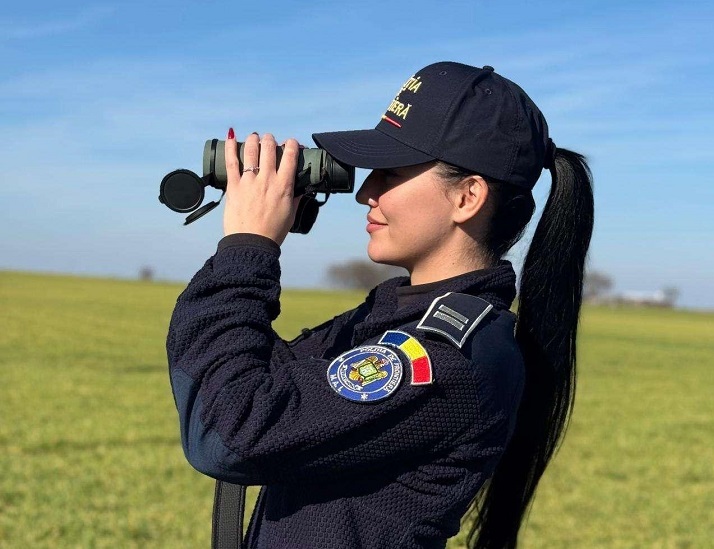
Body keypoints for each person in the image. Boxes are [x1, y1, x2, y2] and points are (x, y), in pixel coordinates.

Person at [167, 61, 594, 549]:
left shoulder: (449, 356)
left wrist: (249, 247)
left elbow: (230, 434)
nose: (366, 192)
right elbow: (240, 374)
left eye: (389, 173)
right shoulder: (394, 317)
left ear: (468, 197)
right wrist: (265, 230)